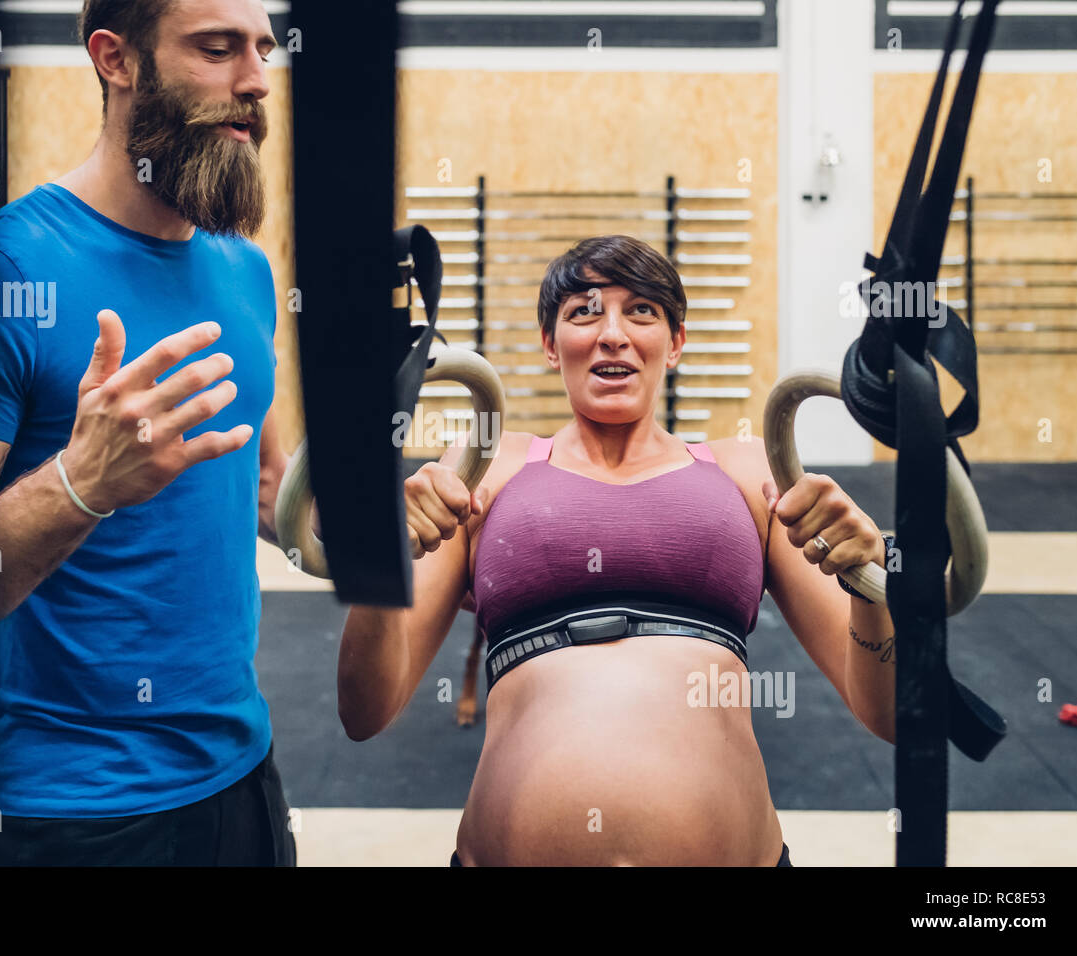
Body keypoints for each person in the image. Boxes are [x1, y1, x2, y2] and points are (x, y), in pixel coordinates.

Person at [0, 0, 296, 865]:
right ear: (115, 60)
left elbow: (265, 488)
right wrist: (79, 483)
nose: (256, 81)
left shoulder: (244, 268)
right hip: (68, 814)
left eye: (264, 49)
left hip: (245, 785)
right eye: (217, 48)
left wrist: (364, 513)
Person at [338, 234, 898, 866]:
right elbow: (365, 710)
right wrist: (382, 563)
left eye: (641, 312)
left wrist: (868, 583)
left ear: (676, 342)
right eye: (583, 311)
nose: (612, 334)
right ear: (551, 345)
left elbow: (891, 714)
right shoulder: (487, 467)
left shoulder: (748, 470)